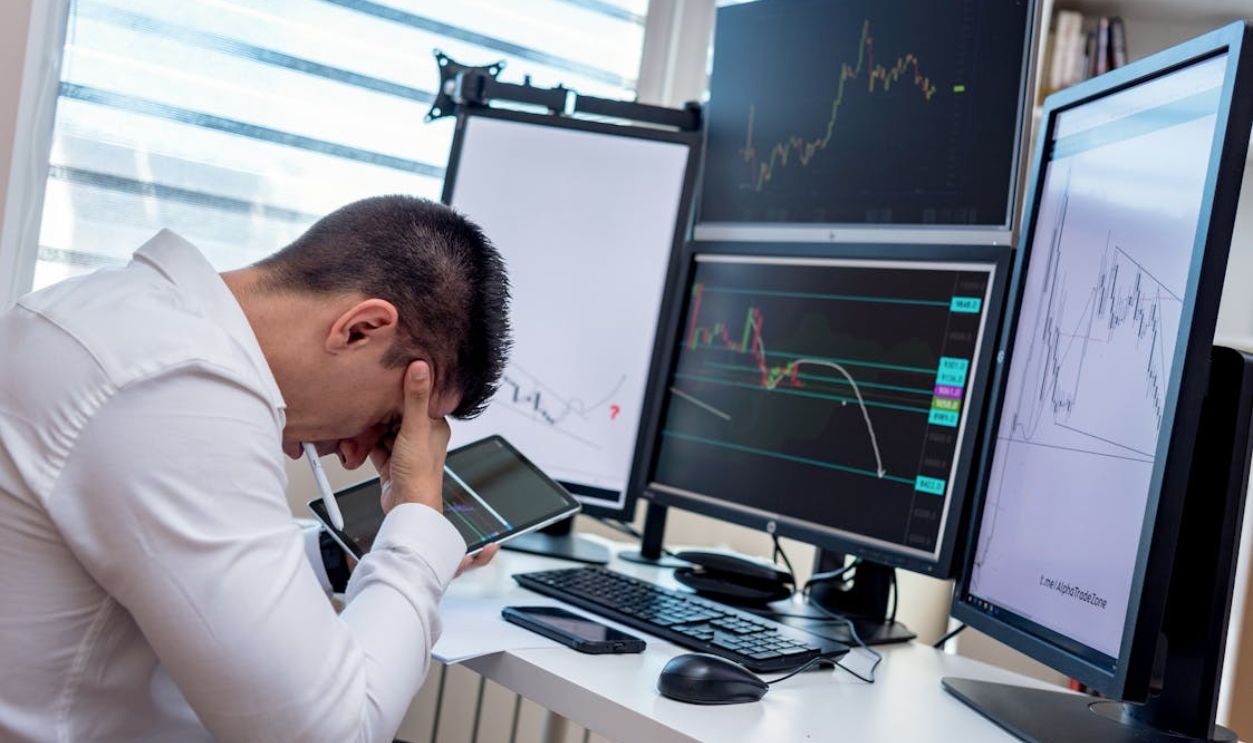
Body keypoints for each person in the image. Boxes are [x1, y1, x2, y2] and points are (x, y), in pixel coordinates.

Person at [0, 195, 511, 742]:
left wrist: (339, 557)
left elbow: (178, 564)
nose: (355, 454)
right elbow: (333, 735)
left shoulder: (115, 314)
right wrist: (417, 525)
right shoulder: (178, 390)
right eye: (390, 420)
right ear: (360, 329)